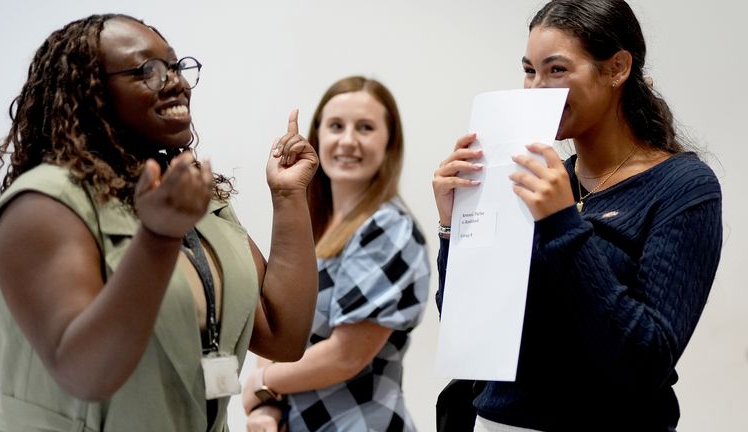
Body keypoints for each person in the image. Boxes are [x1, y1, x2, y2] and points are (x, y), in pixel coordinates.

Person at [0, 13, 319, 431]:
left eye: (177, 67)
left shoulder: (188, 190)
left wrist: (289, 197)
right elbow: (85, 373)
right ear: (90, 93)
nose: (175, 81)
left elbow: (283, 336)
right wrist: (158, 238)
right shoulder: (42, 204)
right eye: (149, 71)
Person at [432, 1, 722, 431]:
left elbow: (646, 361)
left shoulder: (684, 187)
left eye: (557, 70)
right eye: (529, 70)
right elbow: (469, 332)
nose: (535, 89)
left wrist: (562, 222)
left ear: (618, 68)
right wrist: (453, 226)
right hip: (498, 420)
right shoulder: (536, 181)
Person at [242, 76, 430, 431]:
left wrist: (263, 384)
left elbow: (346, 356)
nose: (347, 140)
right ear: (317, 136)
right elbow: (278, 319)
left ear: (389, 142)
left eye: (365, 127)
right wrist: (265, 407)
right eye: (336, 126)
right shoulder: (312, 228)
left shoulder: (389, 229)